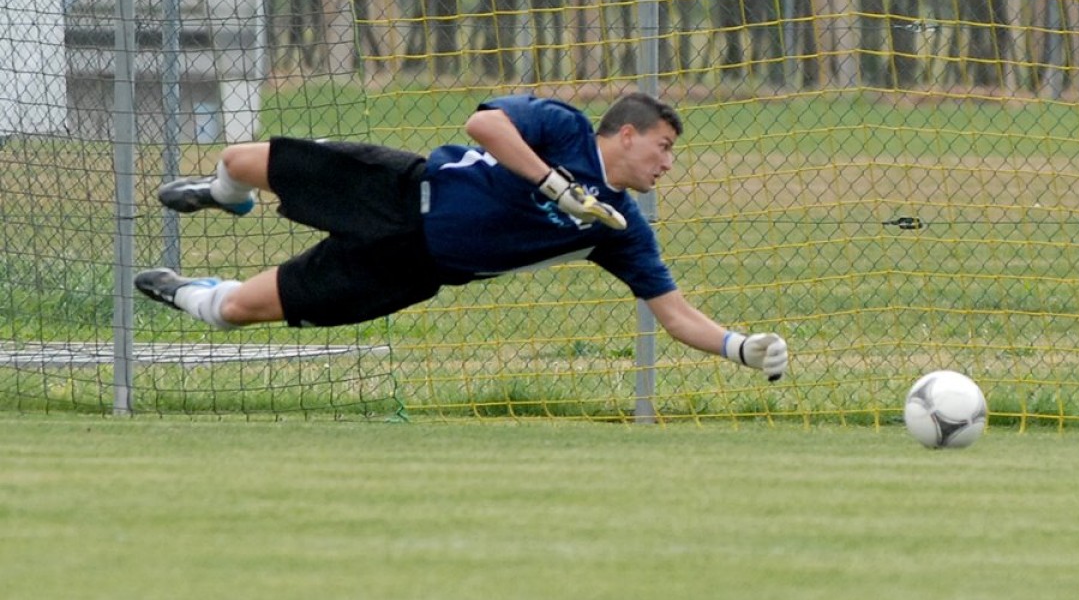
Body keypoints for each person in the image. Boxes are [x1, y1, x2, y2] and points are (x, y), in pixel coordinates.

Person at [134, 92, 788, 381]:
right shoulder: (562, 127)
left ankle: (193, 292)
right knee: (241, 160)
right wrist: (556, 184)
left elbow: (673, 316)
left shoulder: (616, 230)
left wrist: (741, 348)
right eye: (664, 147)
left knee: (237, 311)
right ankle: (221, 197)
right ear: (625, 133)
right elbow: (484, 126)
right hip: (397, 189)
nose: (668, 163)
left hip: (412, 269)